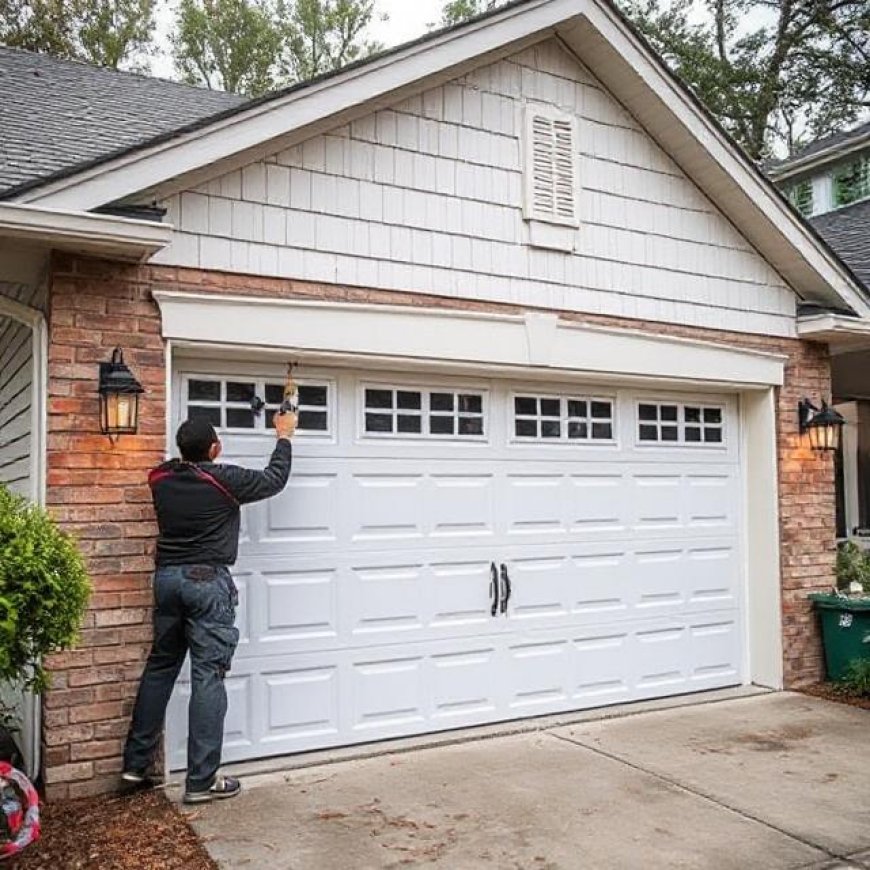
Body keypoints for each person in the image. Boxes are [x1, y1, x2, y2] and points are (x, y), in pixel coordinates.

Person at [121, 410, 297, 804]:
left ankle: (135, 767)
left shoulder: (160, 480)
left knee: (160, 667)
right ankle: (201, 781)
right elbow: (274, 479)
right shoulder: (223, 479)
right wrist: (284, 436)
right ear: (215, 449)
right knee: (208, 675)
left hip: (167, 581)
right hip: (206, 584)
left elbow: (172, 465)